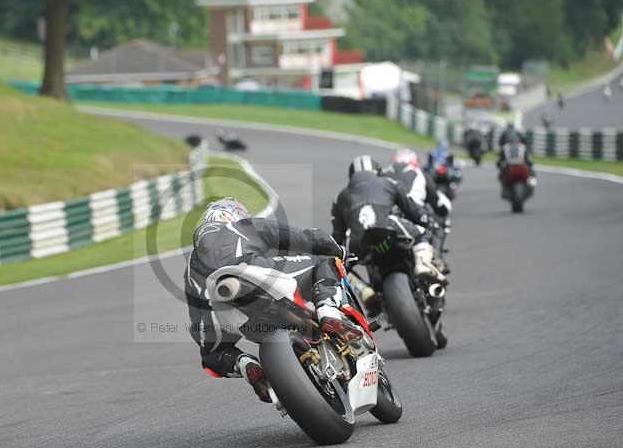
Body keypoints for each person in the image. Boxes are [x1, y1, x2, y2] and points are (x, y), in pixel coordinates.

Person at [184, 197, 360, 403]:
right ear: (232, 214)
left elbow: (199, 320)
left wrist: (210, 346)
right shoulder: (241, 225)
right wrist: (338, 250)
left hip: (225, 308)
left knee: (212, 355)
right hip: (253, 272)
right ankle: (327, 311)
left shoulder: (191, 266)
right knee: (325, 262)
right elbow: (301, 237)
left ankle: (246, 364)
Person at [331, 156, 443, 313]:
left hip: (360, 242)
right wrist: (427, 222)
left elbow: (338, 235)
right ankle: (422, 264)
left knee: (338, 264)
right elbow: (412, 211)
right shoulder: (389, 183)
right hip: (390, 229)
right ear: (378, 172)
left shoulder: (341, 197)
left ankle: (363, 290)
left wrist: (331, 253)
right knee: (421, 232)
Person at [385, 149, 452, 273]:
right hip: (413, 216)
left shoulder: (381, 174)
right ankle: (436, 258)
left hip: (385, 219)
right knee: (436, 224)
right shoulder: (420, 173)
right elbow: (439, 204)